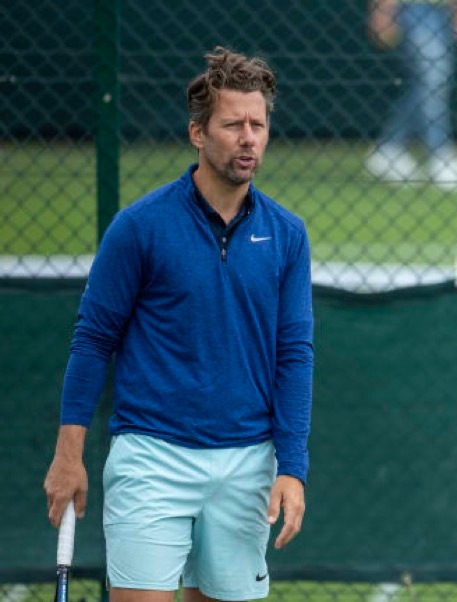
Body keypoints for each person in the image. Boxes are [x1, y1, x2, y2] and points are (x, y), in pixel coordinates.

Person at [42, 47, 314, 602]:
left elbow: (295, 353)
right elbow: (93, 340)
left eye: (257, 125)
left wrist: (294, 466)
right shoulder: (140, 227)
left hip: (247, 465)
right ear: (198, 133)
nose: (248, 138)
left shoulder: (287, 235)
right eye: (232, 124)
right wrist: (68, 457)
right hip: (150, 459)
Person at [365, 0, 457, 191]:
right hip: (409, 9)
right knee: (434, 76)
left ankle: (389, 149)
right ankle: (440, 154)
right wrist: (383, 10)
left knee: (429, 82)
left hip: (443, 10)